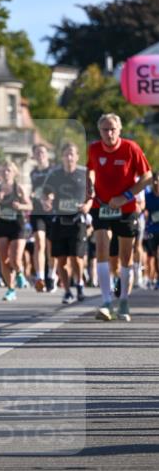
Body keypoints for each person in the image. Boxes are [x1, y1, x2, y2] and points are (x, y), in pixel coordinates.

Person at [87, 113, 152, 322]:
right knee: (102, 248)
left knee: (125, 257)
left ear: (119, 130)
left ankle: (123, 299)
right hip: (101, 206)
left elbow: (147, 176)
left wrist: (125, 197)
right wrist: (89, 184)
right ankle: (106, 301)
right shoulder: (94, 149)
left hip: (126, 208)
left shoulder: (131, 148)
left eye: (113, 129)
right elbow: (90, 169)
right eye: (105, 129)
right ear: (100, 131)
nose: (109, 133)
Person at [43, 143, 90, 304]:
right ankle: (67, 291)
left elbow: (92, 196)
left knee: (76, 257)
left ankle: (80, 285)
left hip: (77, 220)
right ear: (62, 157)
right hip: (59, 220)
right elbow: (45, 193)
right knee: (61, 260)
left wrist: (87, 206)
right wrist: (47, 200)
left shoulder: (84, 174)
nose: (69, 157)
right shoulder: (54, 175)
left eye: (72, 154)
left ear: (77, 157)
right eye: (66, 154)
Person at [0, 160, 32, 301]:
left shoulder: (18, 188)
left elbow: (30, 206)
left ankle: (20, 273)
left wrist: (20, 206)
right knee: (4, 260)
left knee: (15, 258)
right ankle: (10, 289)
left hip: (17, 225)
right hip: (2, 224)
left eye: (8, 170)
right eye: (3, 170)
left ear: (14, 173)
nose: (5, 172)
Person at [29, 143, 56, 292]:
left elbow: (58, 188)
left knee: (51, 246)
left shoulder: (53, 170)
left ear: (47, 154)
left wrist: (51, 196)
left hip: (52, 211)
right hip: (37, 211)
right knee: (39, 242)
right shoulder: (32, 173)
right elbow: (33, 190)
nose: (40, 155)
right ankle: (40, 278)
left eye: (43, 152)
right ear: (34, 156)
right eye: (37, 152)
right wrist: (32, 196)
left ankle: (51, 275)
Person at [143, 171, 159, 289]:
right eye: (154, 180)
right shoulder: (148, 196)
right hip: (152, 229)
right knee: (153, 256)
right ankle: (155, 277)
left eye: (158, 180)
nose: (156, 182)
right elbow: (144, 210)